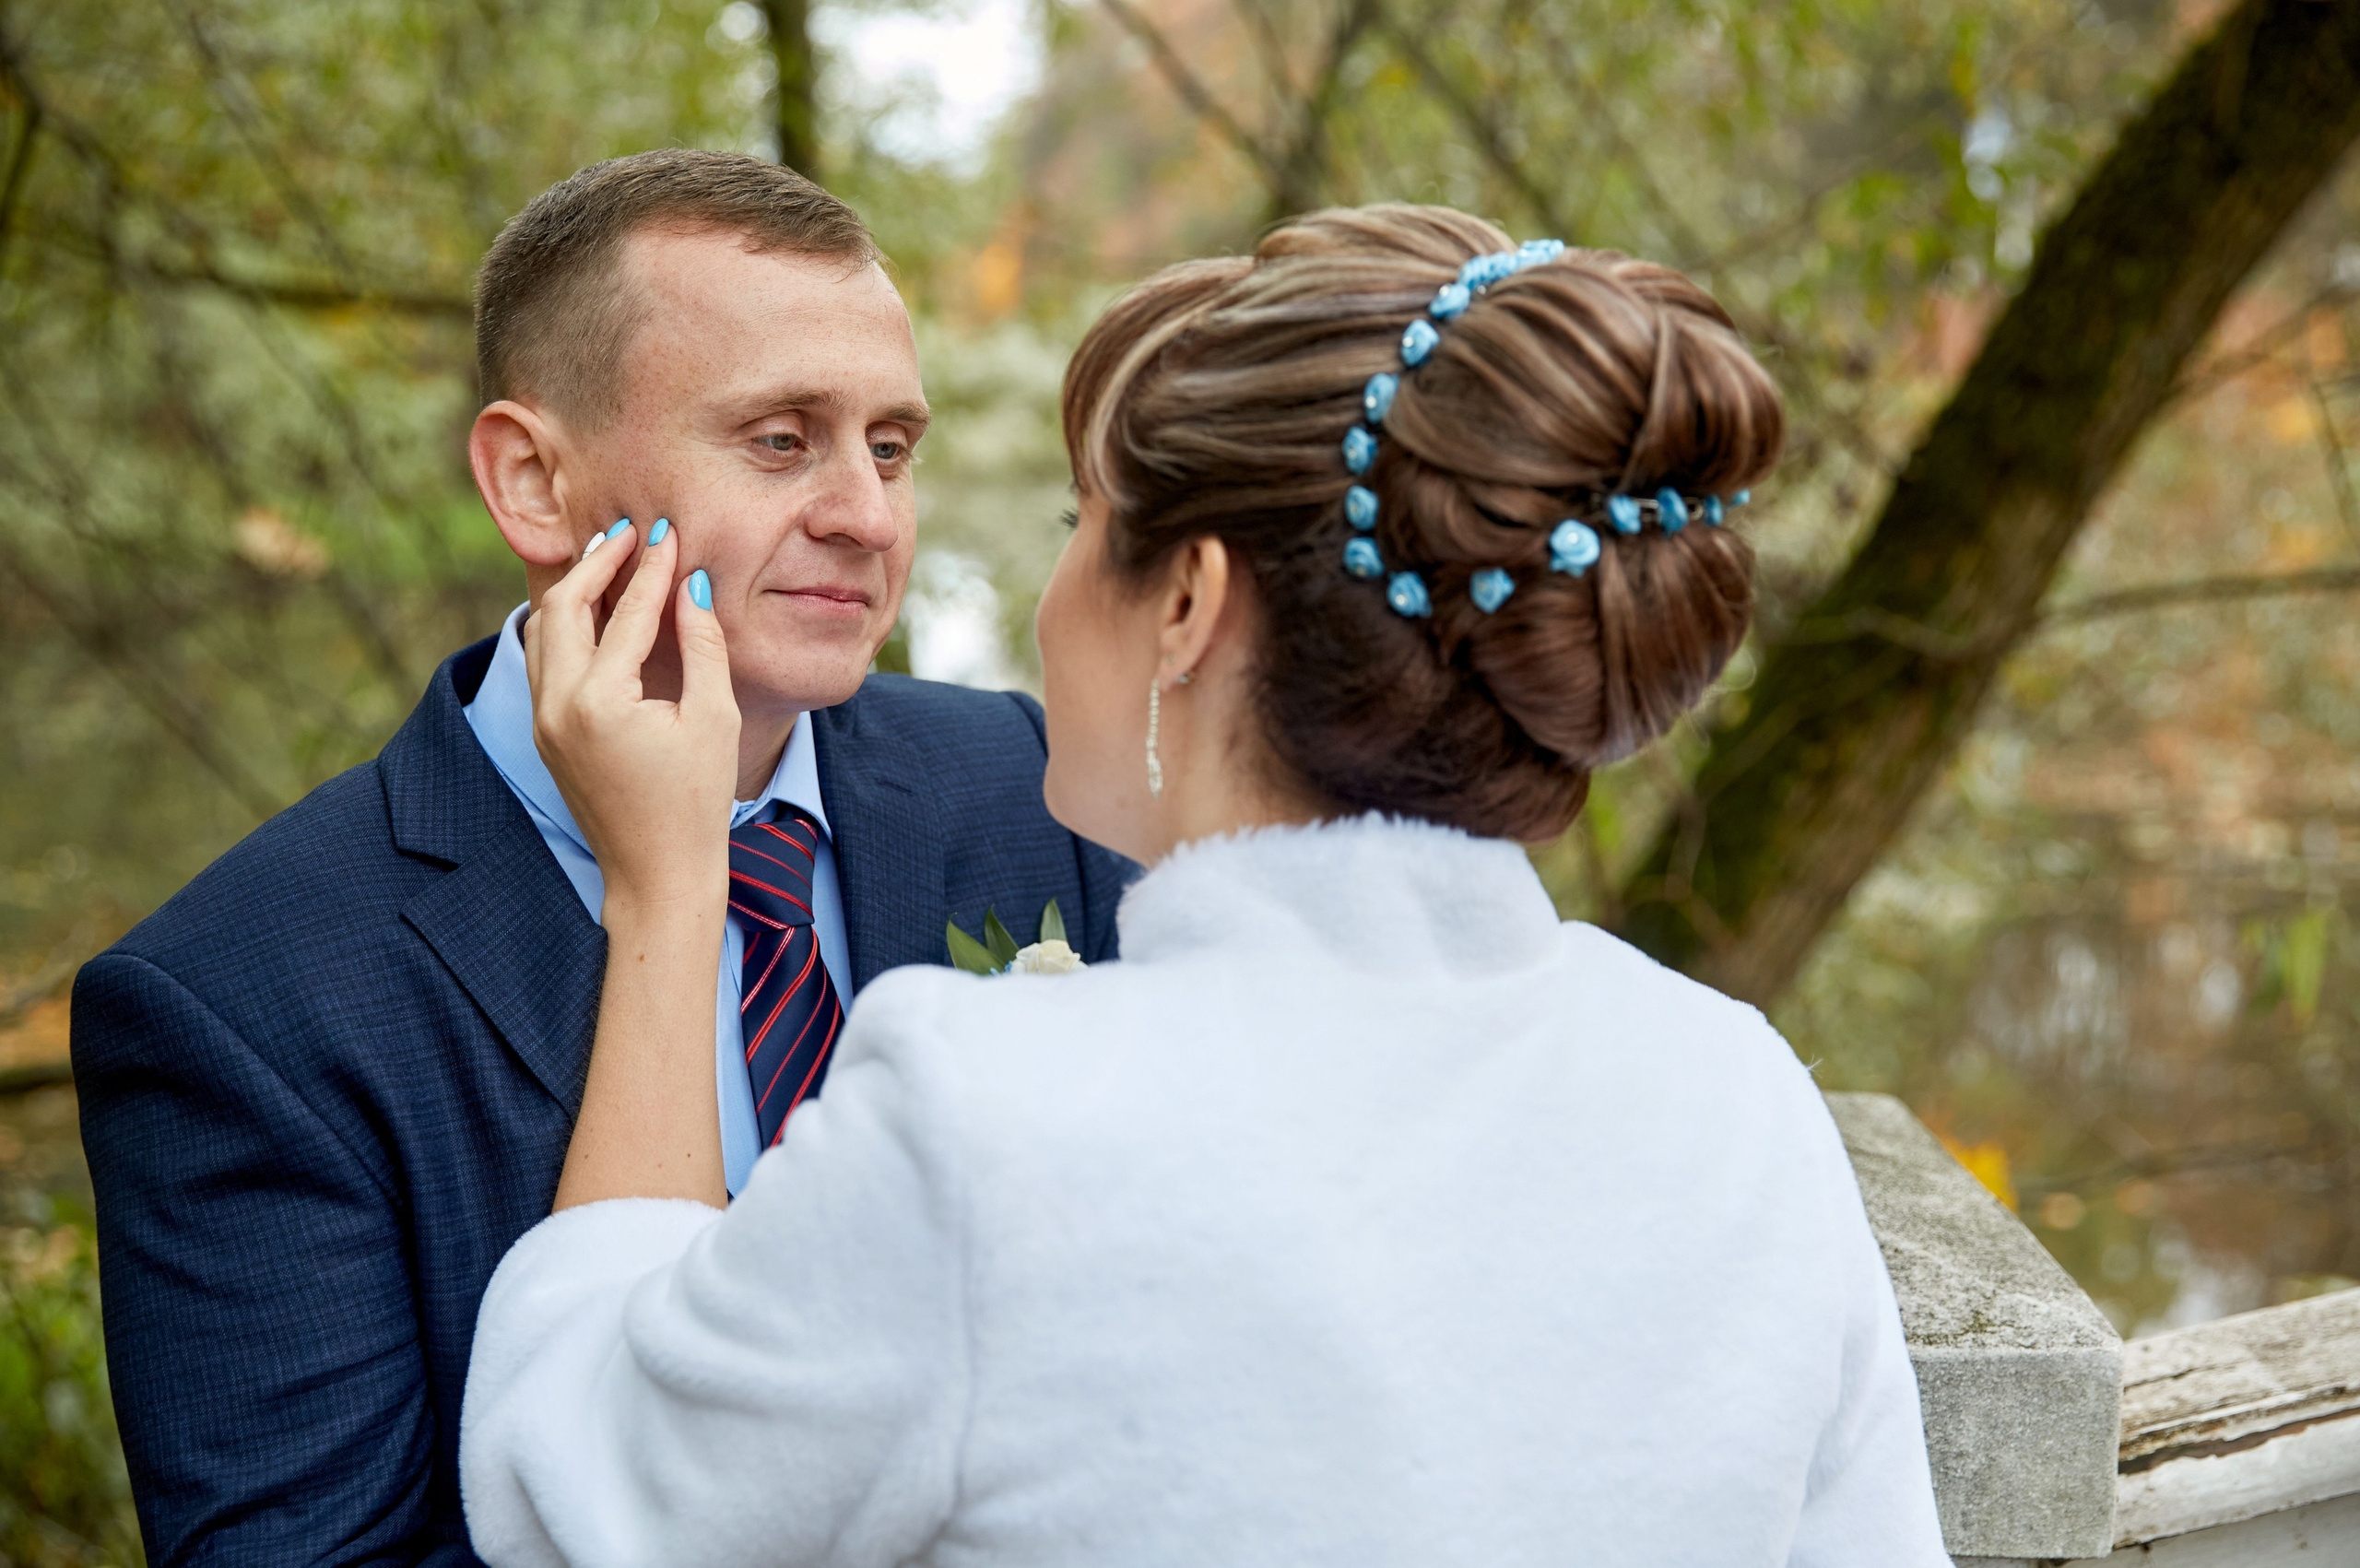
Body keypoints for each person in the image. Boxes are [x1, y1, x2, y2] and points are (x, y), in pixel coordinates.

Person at [458, 204, 1951, 1566]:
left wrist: (670, 891)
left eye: (1082, 530)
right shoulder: (1737, 1096)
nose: (1039, 595)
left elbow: (566, 1488)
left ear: (1184, 602)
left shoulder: (988, 1118)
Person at [69, 149, 1132, 1567]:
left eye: (889, 445)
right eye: (778, 438)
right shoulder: (237, 1007)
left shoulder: (1036, 790)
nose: (869, 517)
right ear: (534, 483)